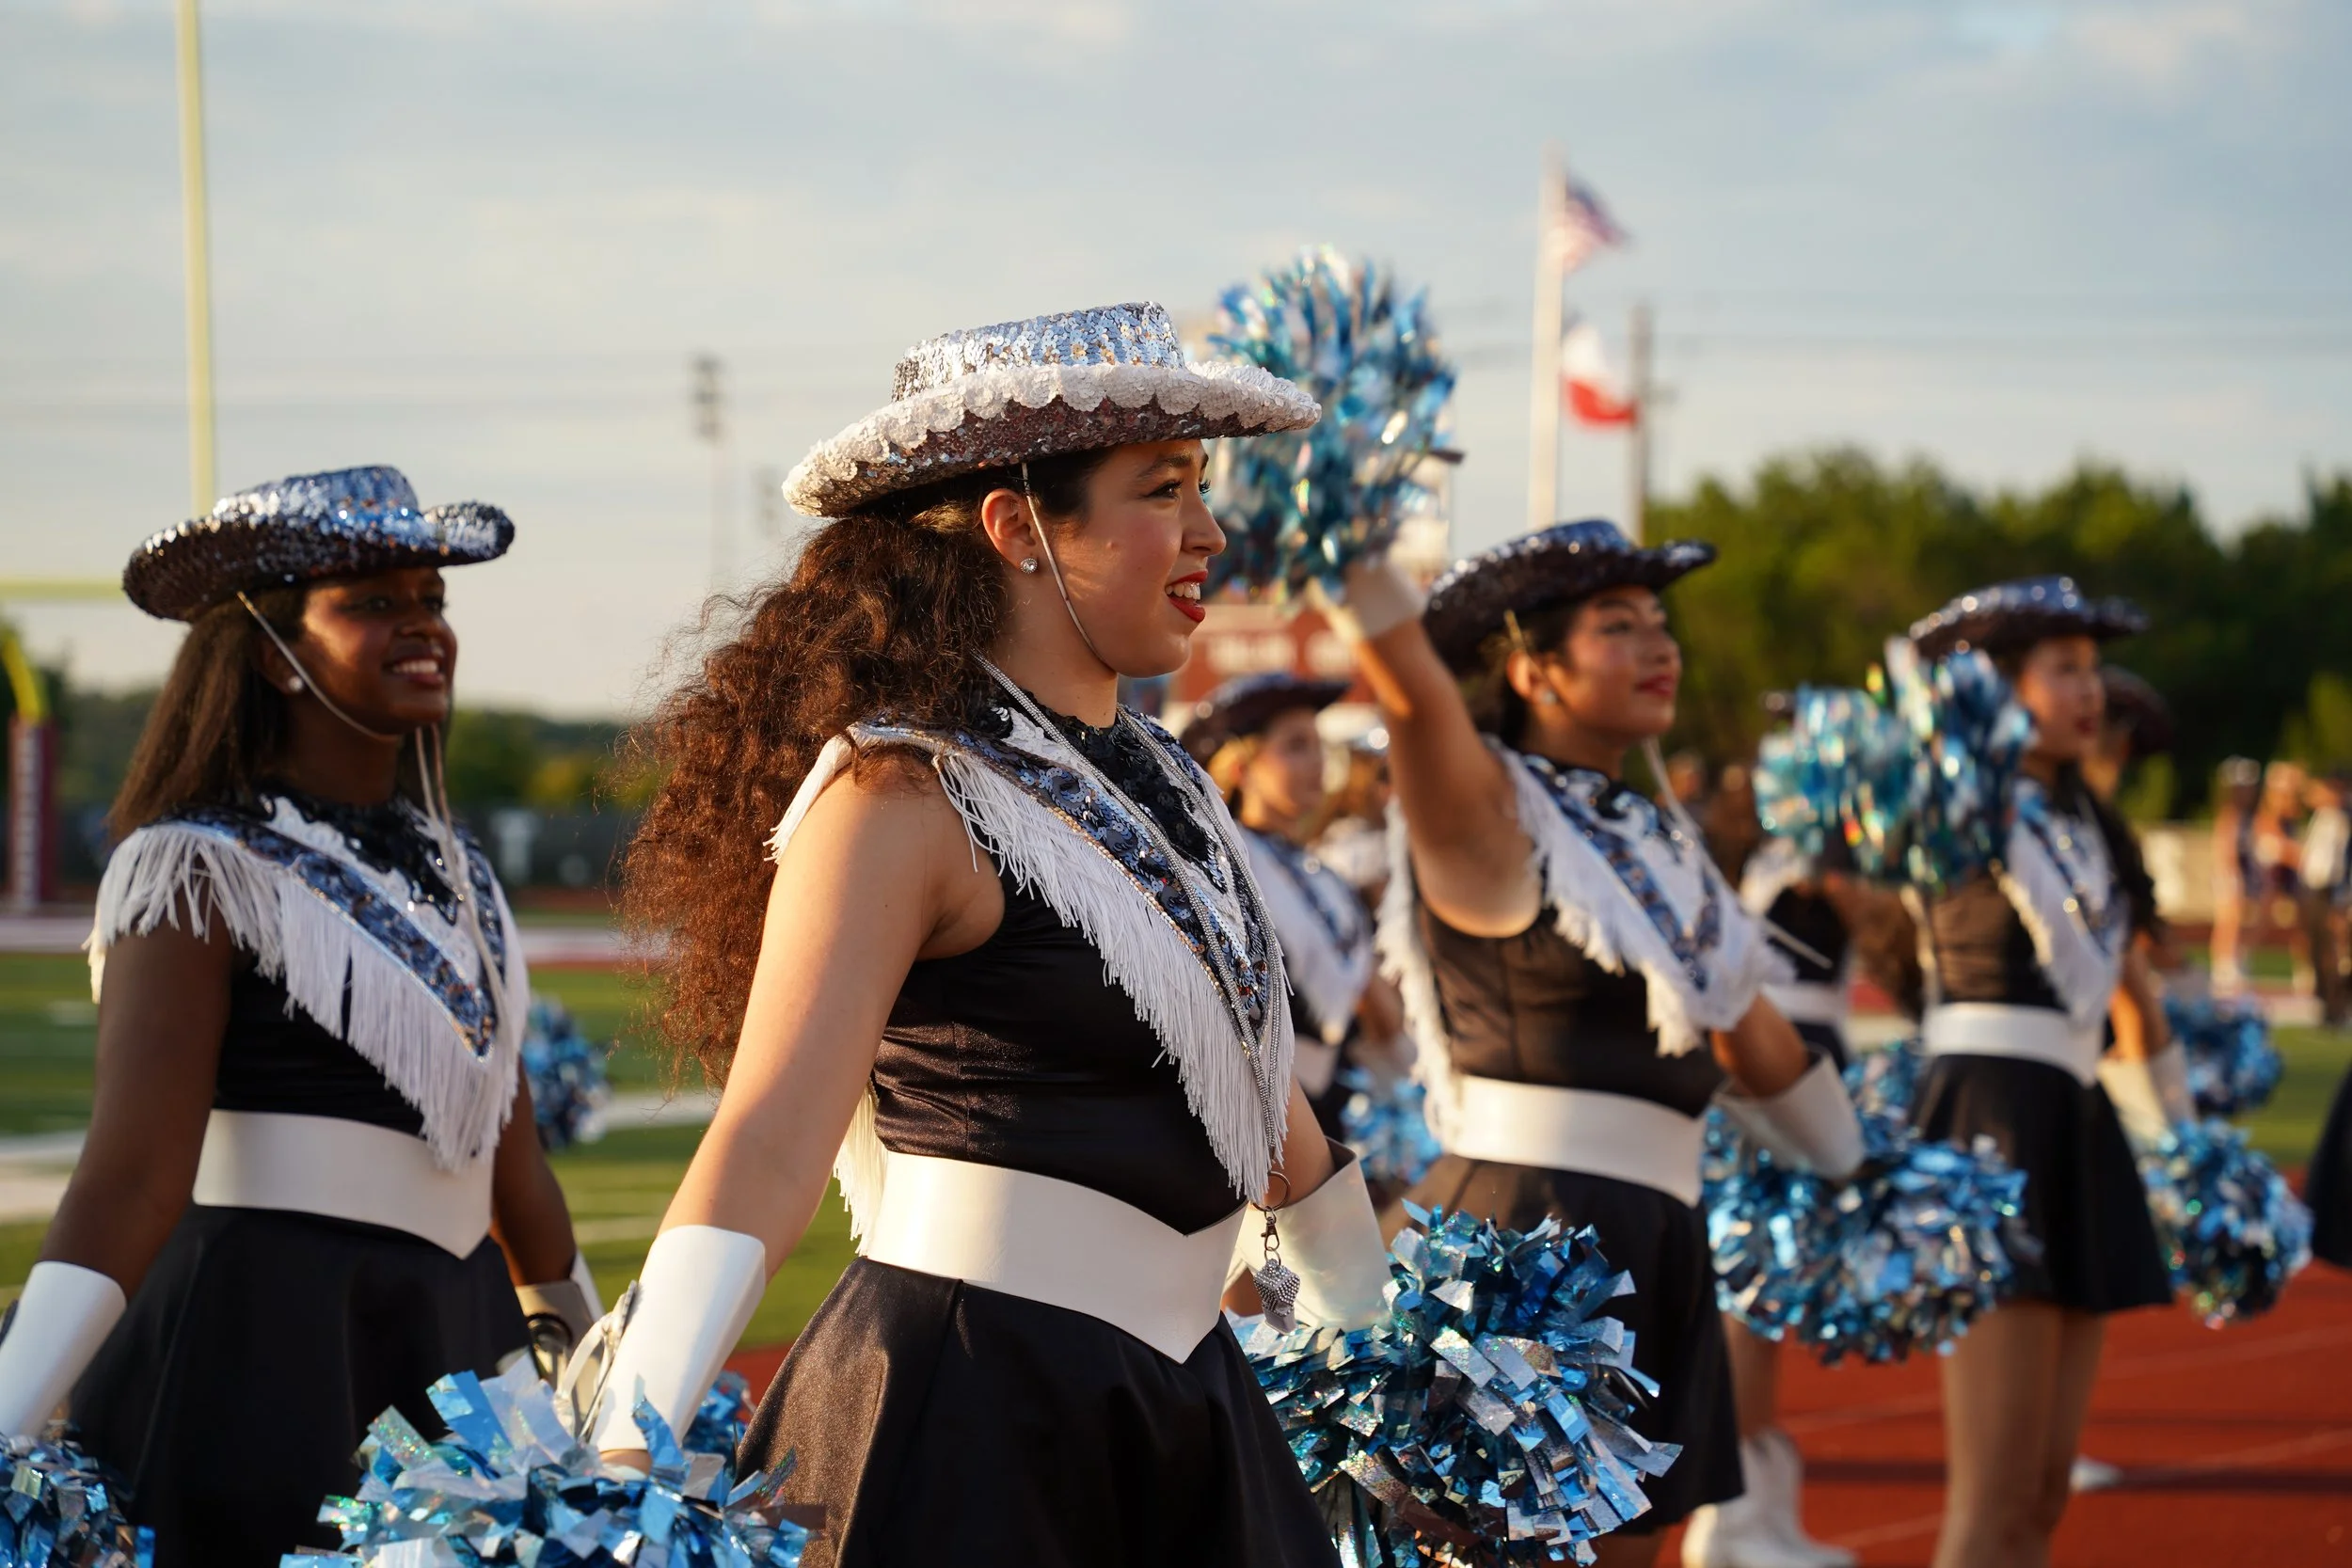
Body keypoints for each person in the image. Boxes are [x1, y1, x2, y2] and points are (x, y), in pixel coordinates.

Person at [598, 304, 1389, 1565]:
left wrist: (1389, 1360)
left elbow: (1259, 1104)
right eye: (1162, 489)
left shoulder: (1175, 786)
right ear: (1017, 527)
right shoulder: (899, 792)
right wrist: (616, 1459)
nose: (1208, 531)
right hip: (970, 1411)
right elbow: (769, 1136)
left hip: (1188, 1404)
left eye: (1201, 485)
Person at [0, 467, 594, 1566]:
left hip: (457, 1340)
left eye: (432, 600)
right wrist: (6, 1419)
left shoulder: (462, 871)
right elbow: (130, 1177)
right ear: (275, 652)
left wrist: (590, 1375)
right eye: (372, 602)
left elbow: (511, 1167)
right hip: (261, 1344)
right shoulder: (193, 865)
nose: (423, 626)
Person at [1329, 521, 1864, 1568]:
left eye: (1661, 623)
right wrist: (1345, 536)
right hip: (1527, 1235)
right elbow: (1414, 690)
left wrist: (1860, 1171)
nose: (1659, 645)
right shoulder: (1488, 807)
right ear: (1532, 669)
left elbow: (1752, 1042)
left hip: (1654, 1236)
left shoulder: (1657, 840)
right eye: (1618, 626)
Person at [1901, 578, 2181, 1568]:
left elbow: (2131, 994)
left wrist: (2183, 1141)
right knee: (1991, 1493)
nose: (2090, 689)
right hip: (1991, 1117)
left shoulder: (2085, 821)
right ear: (2002, 687)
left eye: (2093, 668)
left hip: (2077, 1114)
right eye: (2063, 668)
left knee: (2045, 1490)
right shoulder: (1962, 798)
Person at [1184, 673, 1407, 1133]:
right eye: (1296, 746)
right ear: (1241, 767)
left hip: (1332, 1111)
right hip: (1256, 1115)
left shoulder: (1323, 876)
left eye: (1318, 744)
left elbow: (1376, 1008)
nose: (1318, 761)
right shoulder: (1219, 870)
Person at [2300, 771, 2351, 1027]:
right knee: (2319, 951)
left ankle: (2337, 1008)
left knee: (2337, 955)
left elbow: (2343, 864)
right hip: (2316, 891)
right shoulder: (2323, 818)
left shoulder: (2344, 818)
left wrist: (2342, 900)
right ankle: (2327, 1006)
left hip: (2335, 894)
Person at [2208, 757, 2263, 991]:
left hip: (2240, 873)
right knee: (2228, 920)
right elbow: (2226, 848)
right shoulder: (2230, 815)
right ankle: (2223, 965)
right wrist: (2233, 875)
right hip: (2230, 874)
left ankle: (2233, 960)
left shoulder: (2245, 816)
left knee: (2238, 919)